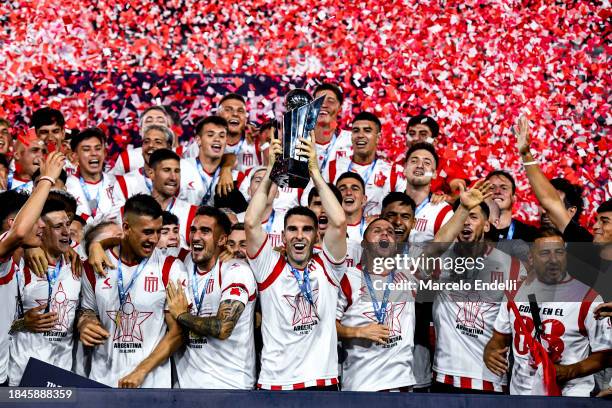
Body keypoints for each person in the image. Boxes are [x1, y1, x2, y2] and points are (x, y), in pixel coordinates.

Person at [245, 135, 347, 390]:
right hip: (276, 383)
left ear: (315, 236)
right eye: (292, 229)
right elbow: (250, 222)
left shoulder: (329, 266)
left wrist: (314, 170)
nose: (299, 235)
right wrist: (271, 169)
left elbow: (339, 222)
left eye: (306, 229)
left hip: (322, 382)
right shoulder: (268, 265)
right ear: (283, 235)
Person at [78, 194, 188, 388]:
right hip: (102, 380)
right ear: (126, 228)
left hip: (150, 384)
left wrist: (141, 371)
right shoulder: (94, 266)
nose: (153, 239)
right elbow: (87, 309)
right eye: (147, 232)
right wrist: (85, 323)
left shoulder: (170, 268)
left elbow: (178, 333)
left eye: (158, 232)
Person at [485, 229, 611, 396]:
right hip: (521, 396)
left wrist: (569, 371)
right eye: (545, 253)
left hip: (569, 396)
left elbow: (605, 355)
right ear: (531, 258)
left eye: (559, 252)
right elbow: (499, 338)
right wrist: (490, 351)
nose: (553, 260)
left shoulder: (588, 298)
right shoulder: (515, 291)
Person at [427, 180, 526, 393]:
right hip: (445, 376)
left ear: (487, 225)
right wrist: (462, 209)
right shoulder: (441, 259)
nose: (466, 223)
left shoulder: (512, 267)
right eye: (462, 218)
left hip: (490, 378)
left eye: (473, 217)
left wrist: (503, 342)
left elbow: (520, 320)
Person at [166, 206, 257, 389]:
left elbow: (223, 327)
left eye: (205, 231)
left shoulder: (236, 271)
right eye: (193, 230)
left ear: (222, 239)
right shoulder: (182, 261)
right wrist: (98, 245)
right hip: (186, 389)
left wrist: (182, 316)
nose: (196, 236)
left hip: (230, 388)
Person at [0, 151, 65, 386]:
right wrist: (46, 179)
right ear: (11, 223)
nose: (41, 225)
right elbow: (19, 232)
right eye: (36, 218)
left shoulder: (15, 264)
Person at [337, 217, 418, 391]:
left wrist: (463, 209)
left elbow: (439, 244)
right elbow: (327, 325)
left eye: (390, 232)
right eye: (377, 230)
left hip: (401, 383)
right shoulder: (348, 277)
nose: (385, 233)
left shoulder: (408, 275)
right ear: (364, 244)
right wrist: (358, 331)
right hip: (361, 385)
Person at [8, 198, 81, 385]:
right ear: (41, 230)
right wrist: (22, 323)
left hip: (62, 376)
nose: (67, 232)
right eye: (58, 227)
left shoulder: (78, 266)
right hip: (21, 375)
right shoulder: (19, 267)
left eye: (68, 224)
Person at [325, 112, 406, 215]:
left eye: (367, 131)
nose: (360, 135)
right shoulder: (333, 167)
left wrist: (380, 219)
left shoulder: (393, 172)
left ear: (378, 137)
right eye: (356, 131)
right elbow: (312, 199)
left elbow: (403, 209)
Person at [402, 115, 467, 195]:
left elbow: (459, 191)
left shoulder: (447, 165)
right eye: (411, 134)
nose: (415, 138)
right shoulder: (395, 166)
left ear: (434, 141)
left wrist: (441, 200)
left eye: (423, 134)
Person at [145, 149, 197, 248]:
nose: (173, 177)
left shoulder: (193, 213)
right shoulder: (132, 212)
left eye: (177, 171)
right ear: (151, 173)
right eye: (167, 170)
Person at [404, 142, 454, 244]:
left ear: (434, 174)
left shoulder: (443, 211)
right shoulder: (389, 204)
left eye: (427, 163)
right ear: (405, 169)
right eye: (414, 161)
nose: (419, 166)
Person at [65, 128, 116, 222]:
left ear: (104, 153)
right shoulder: (66, 187)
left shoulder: (118, 183)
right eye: (86, 149)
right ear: (75, 156)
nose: (93, 153)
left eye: (98, 148)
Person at [111, 106, 174, 175]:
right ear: (140, 131)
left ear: (169, 129)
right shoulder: (128, 158)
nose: (155, 124)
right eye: (149, 121)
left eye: (160, 121)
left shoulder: (182, 155)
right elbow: (111, 183)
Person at [312, 83, 353, 171]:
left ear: (340, 109)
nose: (323, 105)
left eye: (330, 101)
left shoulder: (351, 140)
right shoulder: (298, 142)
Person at [336, 172, 375, 243]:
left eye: (354, 189)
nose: (348, 192)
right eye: (342, 189)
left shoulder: (374, 228)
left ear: (364, 199)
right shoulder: (325, 229)